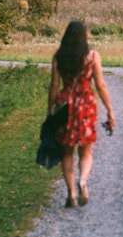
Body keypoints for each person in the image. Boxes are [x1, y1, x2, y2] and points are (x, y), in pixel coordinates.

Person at [49, 21, 115, 208]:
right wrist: (110, 110)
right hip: (86, 104)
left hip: (65, 104)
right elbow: (101, 85)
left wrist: (50, 111)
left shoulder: (58, 57)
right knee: (86, 150)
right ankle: (83, 181)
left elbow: (54, 85)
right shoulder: (92, 56)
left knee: (67, 151)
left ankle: (71, 193)